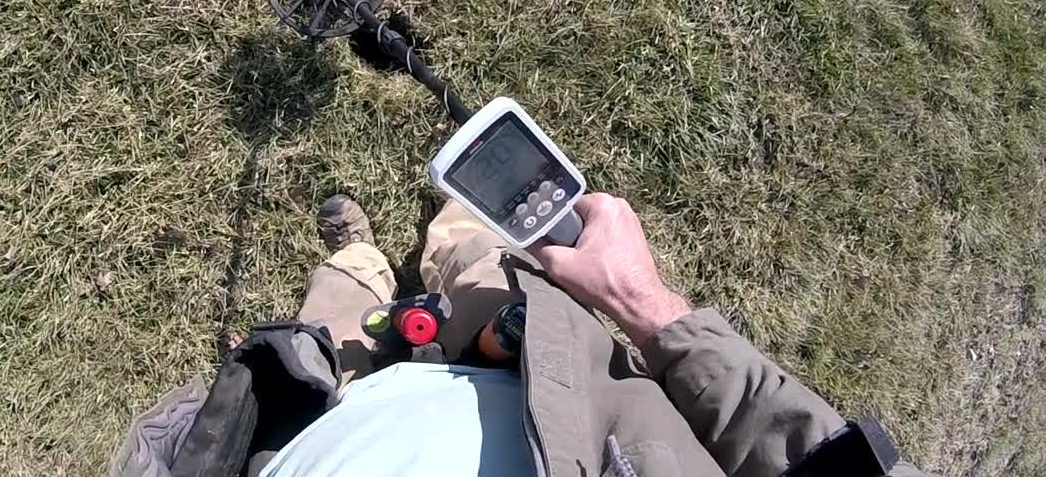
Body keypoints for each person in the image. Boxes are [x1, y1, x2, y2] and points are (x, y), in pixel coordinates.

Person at [113, 193, 931, 477]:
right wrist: (640, 301)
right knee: (486, 266)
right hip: (536, 368)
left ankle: (361, 259)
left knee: (332, 319)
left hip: (311, 423)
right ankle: (458, 229)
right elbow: (797, 444)